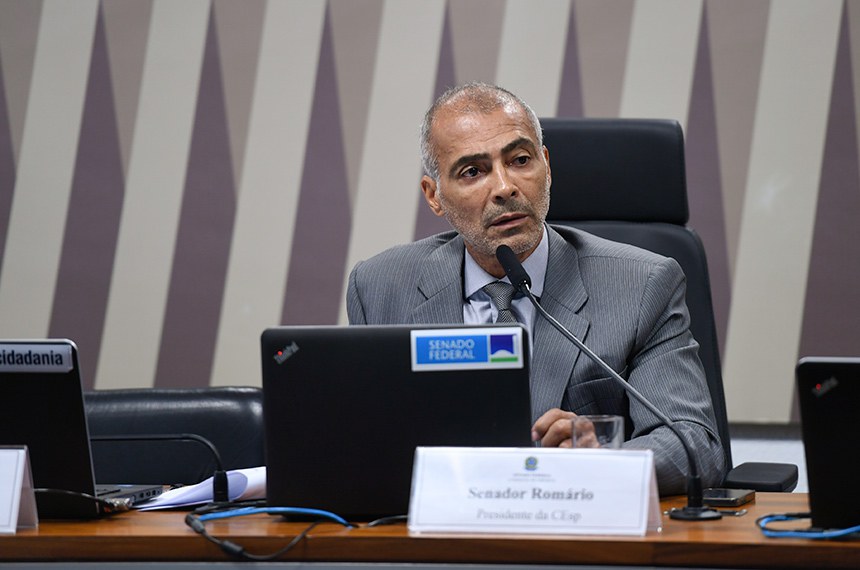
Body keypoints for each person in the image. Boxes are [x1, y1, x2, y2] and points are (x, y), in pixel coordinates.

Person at [346, 82, 725, 495]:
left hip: (575, 543)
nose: (505, 187)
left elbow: (694, 445)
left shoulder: (643, 286)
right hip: (439, 544)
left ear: (546, 164)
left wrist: (603, 460)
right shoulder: (379, 287)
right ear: (434, 196)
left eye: (520, 160)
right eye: (473, 171)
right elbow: (368, 444)